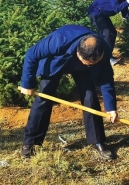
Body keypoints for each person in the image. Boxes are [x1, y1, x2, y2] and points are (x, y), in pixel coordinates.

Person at [19, 25, 118, 160]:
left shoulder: (102, 49)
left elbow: (106, 79)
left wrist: (111, 108)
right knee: (44, 98)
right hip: (57, 62)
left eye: (94, 63)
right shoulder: (59, 40)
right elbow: (31, 54)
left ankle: (97, 141)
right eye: (87, 62)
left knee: (90, 97)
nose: (90, 65)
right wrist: (27, 83)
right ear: (78, 53)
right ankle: (31, 143)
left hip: (82, 72)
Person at [88, 0, 129, 65]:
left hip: (103, 14)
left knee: (112, 32)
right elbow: (116, 8)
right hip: (96, 13)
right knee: (107, 34)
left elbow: (124, 13)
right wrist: (127, 2)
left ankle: (108, 55)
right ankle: (105, 58)